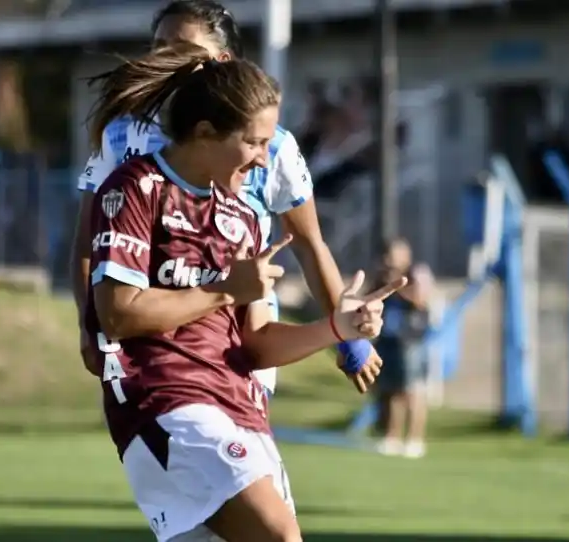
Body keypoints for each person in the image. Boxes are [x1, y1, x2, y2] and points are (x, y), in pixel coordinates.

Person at [84, 43, 403, 542]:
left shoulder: (242, 221)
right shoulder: (135, 190)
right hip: (167, 403)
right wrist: (222, 290)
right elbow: (118, 315)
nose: (262, 160)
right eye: (254, 143)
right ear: (207, 134)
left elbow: (252, 346)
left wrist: (337, 328)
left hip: (241, 409)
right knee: (280, 536)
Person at [71, 0, 385, 397]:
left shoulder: (271, 147)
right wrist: (89, 325)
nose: (166, 57)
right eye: (159, 46)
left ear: (220, 60)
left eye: (181, 47)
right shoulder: (121, 135)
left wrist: (346, 335)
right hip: (151, 333)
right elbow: (87, 244)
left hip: (242, 338)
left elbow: (308, 244)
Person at [374, 239, 434, 458]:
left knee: (413, 391)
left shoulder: (417, 272)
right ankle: (392, 436)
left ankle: (415, 439)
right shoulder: (383, 275)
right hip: (388, 338)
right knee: (391, 391)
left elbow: (421, 300)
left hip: (411, 340)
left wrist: (395, 286)